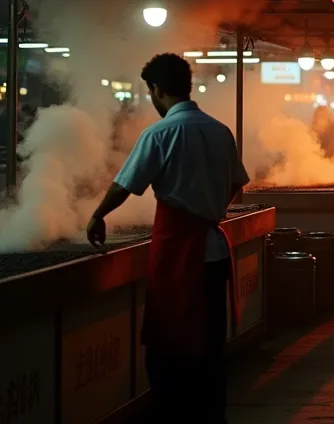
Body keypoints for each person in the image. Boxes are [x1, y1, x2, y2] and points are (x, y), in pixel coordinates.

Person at [86, 53, 248, 423]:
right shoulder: (219, 130)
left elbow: (125, 183)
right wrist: (210, 210)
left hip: (178, 255)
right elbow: (238, 181)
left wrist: (98, 215)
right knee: (209, 345)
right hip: (214, 252)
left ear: (157, 90)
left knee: (169, 345)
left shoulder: (160, 132)